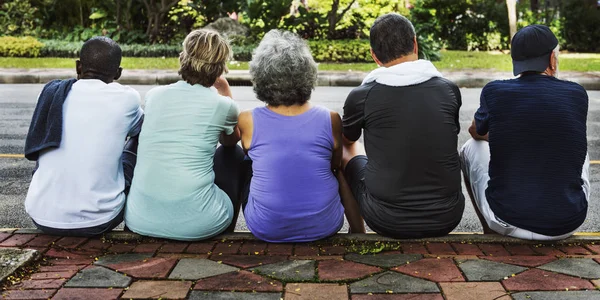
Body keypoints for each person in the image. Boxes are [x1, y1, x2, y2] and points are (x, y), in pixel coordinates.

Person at [461, 25, 590, 241]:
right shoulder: (577, 93)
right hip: (567, 223)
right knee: (579, 151)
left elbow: (474, 130)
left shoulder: (494, 91)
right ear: (552, 59)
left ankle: (489, 233)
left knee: (470, 148)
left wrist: (508, 135)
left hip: (508, 221)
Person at [341, 13, 464, 239]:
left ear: (374, 56)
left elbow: (347, 140)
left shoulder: (361, 95)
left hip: (385, 219)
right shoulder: (449, 89)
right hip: (447, 216)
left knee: (344, 150)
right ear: (415, 43)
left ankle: (356, 230)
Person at [238, 30, 365, 243]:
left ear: (260, 76)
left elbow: (251, 156)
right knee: (338, 169)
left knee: (245, 163)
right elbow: (333, 164)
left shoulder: (247, 120)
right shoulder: (330, 118)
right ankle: (358, 229)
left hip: (266, 227)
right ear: (307, 73)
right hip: (325, 225)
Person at [124, 29, 244, 241]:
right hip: (200, 223)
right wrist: (225, 90)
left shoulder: (154, 95)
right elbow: (230, 141)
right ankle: (224, 234)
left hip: (138, 219)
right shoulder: (222, 105)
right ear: (220, 67)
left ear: (183, 59)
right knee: (232, 154)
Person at [24, 36, 143, 236]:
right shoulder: (127, 98)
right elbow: (140, 131)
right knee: (140, 139)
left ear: (78, 67)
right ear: (118, 73)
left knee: (51, 140)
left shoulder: (51, 94)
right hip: (100, 220)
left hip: (41, 217)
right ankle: (138, 223)